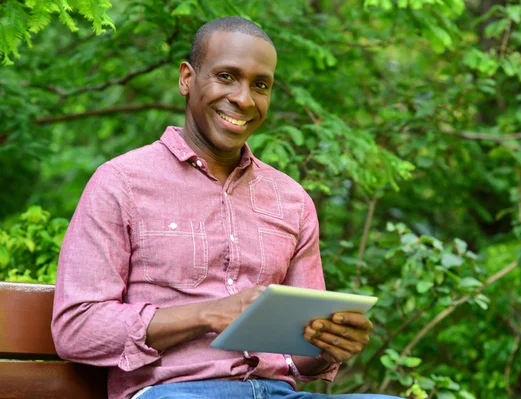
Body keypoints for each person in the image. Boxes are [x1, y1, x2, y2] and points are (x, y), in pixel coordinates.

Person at [51, 17, 402, 399]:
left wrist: (329, 345)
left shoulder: (292, 199)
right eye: (226, 76)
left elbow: (302, 357)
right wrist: (208, 314)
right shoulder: (121, 182)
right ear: (187, 78)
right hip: (173, 392)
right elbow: (77, 329)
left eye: (260, 85)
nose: (244, 99)